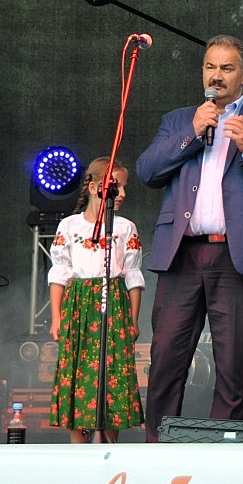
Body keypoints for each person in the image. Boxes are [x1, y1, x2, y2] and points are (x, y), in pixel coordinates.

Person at [136, 35, 243, 442]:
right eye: (210, 67)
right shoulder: (180, 119)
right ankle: (157, 448)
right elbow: (147, 172)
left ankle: (224, 453)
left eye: (227, 68)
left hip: (237, 256)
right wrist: (192, 132)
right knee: (166, 359)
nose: (217, 75)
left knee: (233, 363)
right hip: (181, 254)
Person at [48, 157, 144, 443]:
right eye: (116, 187)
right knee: (79, 372)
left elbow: (133, 275)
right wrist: (56, 318)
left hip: (113, 301)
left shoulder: (125, 228)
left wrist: (133, 320)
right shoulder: (70, 226)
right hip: (79, 304)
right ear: (94, 187)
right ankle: (79, 448)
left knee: (112, 372)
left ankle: (109, 446)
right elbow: (60, 273)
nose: (122, 194)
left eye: (124, 187)